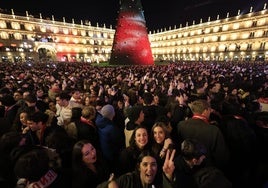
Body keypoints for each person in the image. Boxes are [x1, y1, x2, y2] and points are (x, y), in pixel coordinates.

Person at [177, 99, 230, 171]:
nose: (210, 112)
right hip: (207, 170)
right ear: (205, 111)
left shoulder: (181, 125)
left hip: (186, 168)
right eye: (209, 110)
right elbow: (221, 157)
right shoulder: (213, 130)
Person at [97, 149, 176, 188]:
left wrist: (168, 176)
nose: (149, 169)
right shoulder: (127, 180)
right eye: (145, 164)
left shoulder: (158, 180)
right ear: (139, 167)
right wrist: (109, 184)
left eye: (153, 165)